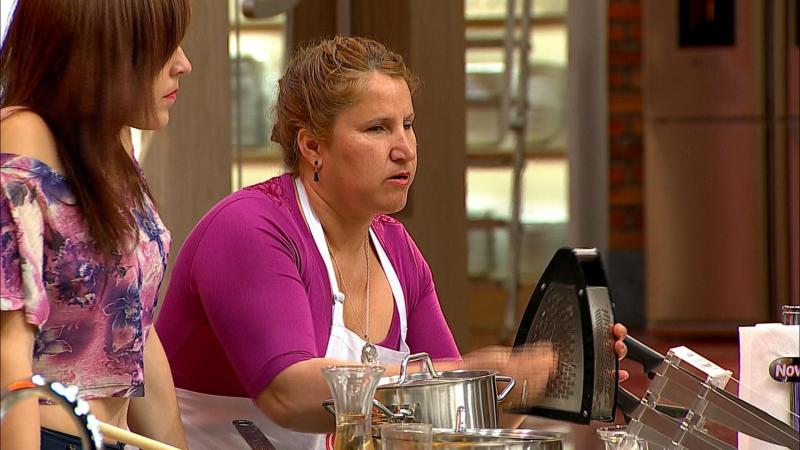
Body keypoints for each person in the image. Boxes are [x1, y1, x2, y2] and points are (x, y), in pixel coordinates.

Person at [155, 35, 628, 450]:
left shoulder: (396, 251)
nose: (404, 149)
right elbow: (288, 393)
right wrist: (459, 375)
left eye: (408, 124)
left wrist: (533, 380)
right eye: (377, 129)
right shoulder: (251, 228)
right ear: (312, 146)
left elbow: (453, 423)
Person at [0, 1, 193, 449]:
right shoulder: (21, 138)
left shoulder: (111, 141)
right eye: (163, 46)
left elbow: (136, 322)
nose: (183, 64)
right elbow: (7, 348)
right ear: (106, 49)